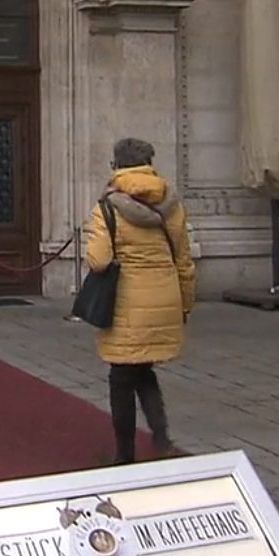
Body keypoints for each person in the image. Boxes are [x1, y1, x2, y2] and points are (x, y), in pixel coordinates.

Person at [85, 138, 196, 465]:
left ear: (116, 165)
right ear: (150, 163)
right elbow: (184, 260)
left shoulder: (107, 207)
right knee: (142, 370)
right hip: (164, 297)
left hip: (126, 304)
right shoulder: (171, 204)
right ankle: (161, 440)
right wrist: (185, 304)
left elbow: (99, 261)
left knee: (121, 378)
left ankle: (124, 455)